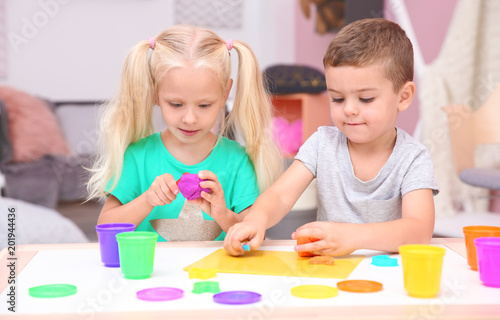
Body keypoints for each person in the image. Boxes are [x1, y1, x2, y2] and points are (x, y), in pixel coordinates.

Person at [224, 18, 439, 256]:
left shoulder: (413, 158)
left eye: (365, 99)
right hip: (331, 274)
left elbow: (419, 231)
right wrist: (256, 219)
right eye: (337, 98)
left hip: (389, 278)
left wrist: (352, 236)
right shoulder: (321, 144)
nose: (349, 109)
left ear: (404, 96)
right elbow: (280, 194)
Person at [87, 25, 282, 241]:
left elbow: (254, 235)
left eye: (204, 105)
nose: (190, 119)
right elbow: (105, 227)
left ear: (225, 92)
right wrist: (148, 199)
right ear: (155, 92)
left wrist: (222, 214)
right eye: (177, 104)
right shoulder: (137, 156)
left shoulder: (237, 161)